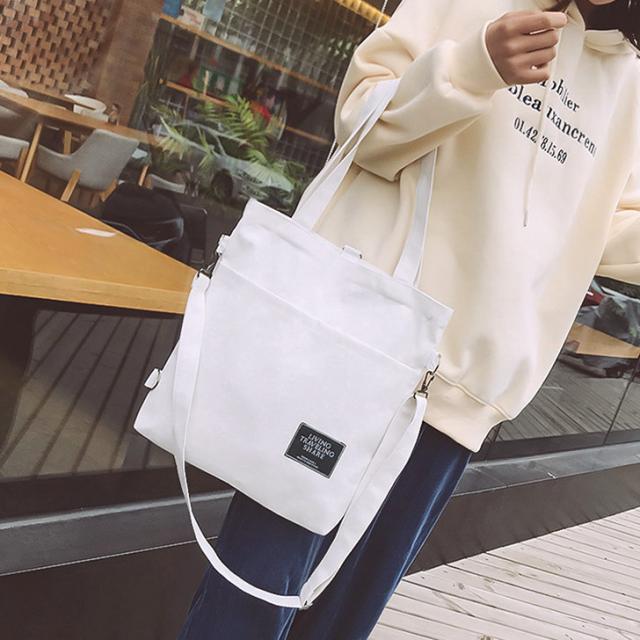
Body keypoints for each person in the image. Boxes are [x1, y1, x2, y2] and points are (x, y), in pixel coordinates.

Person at [177, 0, 640, 637]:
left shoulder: (628, 76)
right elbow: (360, 121)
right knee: (248, 607)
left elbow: (604, 227)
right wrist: (475, 66)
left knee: (342, 621)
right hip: (357, 356)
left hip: (461, 396)